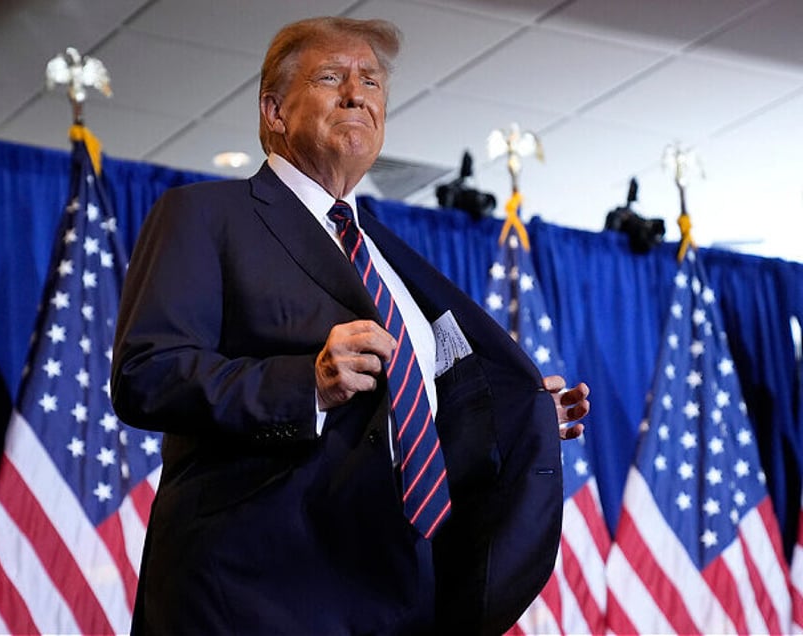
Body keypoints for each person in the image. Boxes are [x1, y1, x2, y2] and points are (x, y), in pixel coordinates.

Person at [111, 16, 589, 636]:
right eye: (331, 77)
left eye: (370, 81)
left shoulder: (392, 259)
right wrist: (306, 384)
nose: (357, 93)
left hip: (390, 598)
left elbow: (401, 433)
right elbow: (147, 374)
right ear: (274, 112)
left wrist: (520, 420)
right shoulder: (205, 216)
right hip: (251, 596)